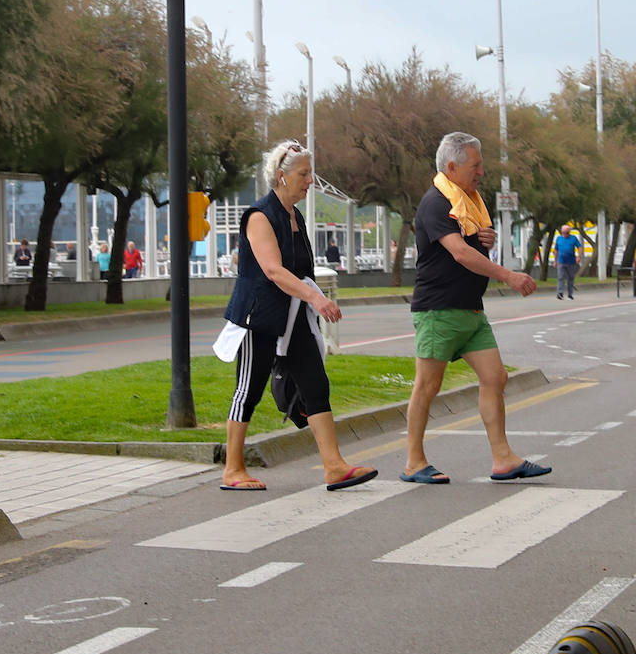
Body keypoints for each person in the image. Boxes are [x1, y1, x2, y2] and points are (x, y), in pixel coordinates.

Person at [212, 140, 377, 492]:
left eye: (310, 173)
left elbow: (299, 270)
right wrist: (317, 299)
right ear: (282, 177)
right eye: (303, 174)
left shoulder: (295, 216)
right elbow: (273, 270)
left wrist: (310, 301)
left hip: (294, 317)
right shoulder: (259, 215)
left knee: (316, 383)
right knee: (249, 389)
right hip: (260, 318)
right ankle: (232, 469)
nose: (310, 180)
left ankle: (334, 466)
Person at [402, 131, 545, 485]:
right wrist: (508, 276)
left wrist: (488, 239)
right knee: (427, 386)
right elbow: (460, 253)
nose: (481, 172)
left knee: (495, 377)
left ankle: (503, 459)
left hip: (470, 310)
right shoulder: (436, 203)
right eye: (475, 165)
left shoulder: (469, 202)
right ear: (451, 166)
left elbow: (472, 244)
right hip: (439, 310)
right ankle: (414, 462)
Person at [553, 224, 582, 300]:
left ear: (569, 232)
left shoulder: (573, 238)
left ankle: (570, 294)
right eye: (563, 232)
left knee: (570, 278)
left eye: (567, 232)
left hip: (571, 261)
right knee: (560, 277)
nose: (565, 234)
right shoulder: (559, 239)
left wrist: (579, 256)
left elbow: (579, 247)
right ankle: (560, 293)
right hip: (561, 261)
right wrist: (555, 261)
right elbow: (556, 250)